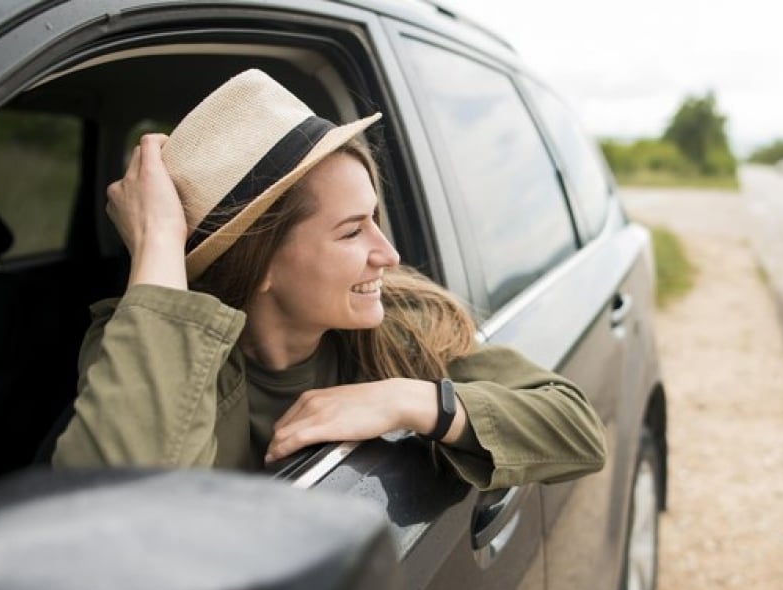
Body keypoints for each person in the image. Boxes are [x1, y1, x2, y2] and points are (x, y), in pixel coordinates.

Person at [52, 69, 605, 490]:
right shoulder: (147, 351)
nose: (386, 254)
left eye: (375, 220)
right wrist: (158, 243)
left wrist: (409, 402)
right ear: (261, 262)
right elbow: (117, 522)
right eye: (350, 233)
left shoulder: (403, 328)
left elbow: (578, 430)